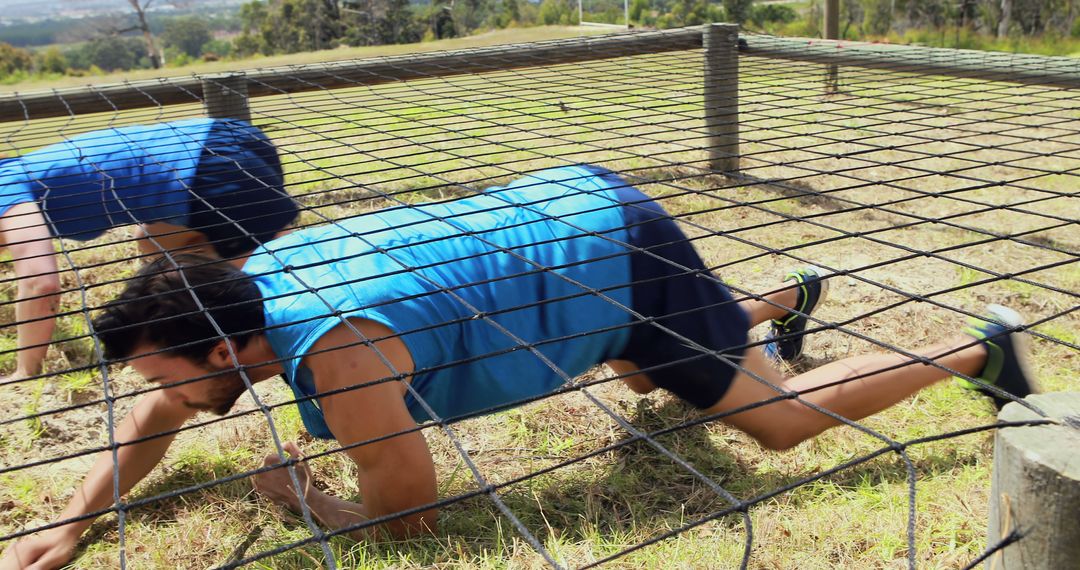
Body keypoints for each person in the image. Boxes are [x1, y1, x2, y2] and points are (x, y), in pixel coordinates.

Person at [0, 165, 1036, 569]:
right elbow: (158, 419)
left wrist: (311, 502)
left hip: (609, 256)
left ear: (226, 351)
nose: (161, 399)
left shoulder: (340, 350)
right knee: (645, 375)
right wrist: (72, 517)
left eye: (166, 375)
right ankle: (765, 306)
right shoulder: (240, 287)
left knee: (771, 421)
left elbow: (409, 513)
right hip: (561, 232)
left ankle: (978, 347)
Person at [0, 117, 299, 384]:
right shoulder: (20, 170)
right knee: (151, 242)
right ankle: (182, 322)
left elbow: (40, 282)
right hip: (227, 136)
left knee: (280, 285)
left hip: (212, 170)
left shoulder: (5, 189)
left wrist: (26, 370)